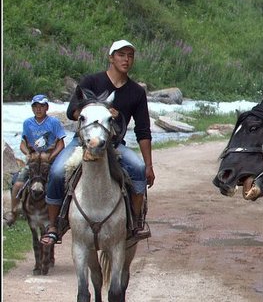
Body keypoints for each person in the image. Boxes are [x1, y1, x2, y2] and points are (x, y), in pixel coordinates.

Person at [41, 40, 155, 246]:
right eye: (121, 55)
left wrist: (149, 164)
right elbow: (72, 112)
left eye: (130, 56)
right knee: (57, 172)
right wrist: (97, 109)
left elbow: (143, 131)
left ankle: (135, 223)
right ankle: (53, 226)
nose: (126, 60)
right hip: (82, 142)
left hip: (114, 144)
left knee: (138, 169)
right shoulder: (91, 81)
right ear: (111, 57)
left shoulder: (136, 92)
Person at [4, 94, 66, 226]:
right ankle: (13, 212)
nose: (38, 109)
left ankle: (60, 213)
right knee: (18, 183)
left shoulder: (54, 122)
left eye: (41, 106)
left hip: (49, 160)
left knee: (56, 181)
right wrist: (27, 153)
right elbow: (22, 144)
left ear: (47, 108)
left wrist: (51, 156)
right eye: (36, 106)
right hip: (33, 160)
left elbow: (61, 144)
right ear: (32, 108)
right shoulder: (27, 123)